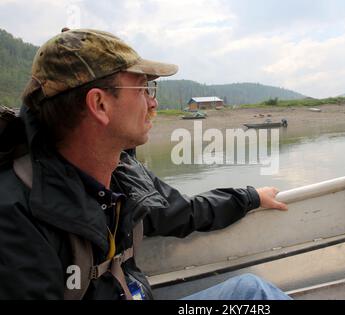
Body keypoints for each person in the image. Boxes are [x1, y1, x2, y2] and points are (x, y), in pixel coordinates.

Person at [0, 28, 290, 300]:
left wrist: (252, 197)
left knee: (252, 293)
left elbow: (186, 212)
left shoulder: (124, 177)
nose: (152, 104)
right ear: (99, 104)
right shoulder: (15, 215)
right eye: (142, 89)